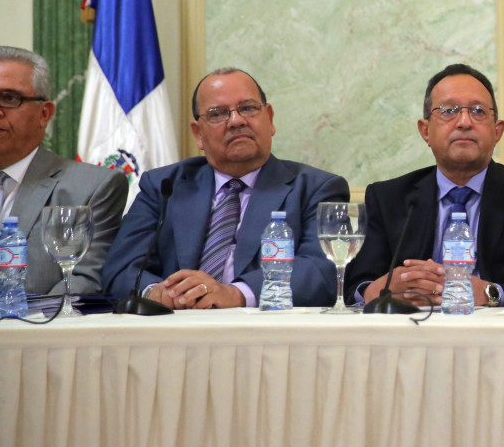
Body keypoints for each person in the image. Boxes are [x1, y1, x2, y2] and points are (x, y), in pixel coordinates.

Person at [102, 67, 348, 308]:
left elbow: (322, 271)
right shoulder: (164, 186)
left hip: (266, 329)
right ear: (198, 134)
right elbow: (121, 269)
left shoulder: (316, 189)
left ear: (270, 119)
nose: (236, 121)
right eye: (217, 114)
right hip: (177, 325)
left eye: (248, 108)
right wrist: (157, 292)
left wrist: (236, 294)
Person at [344, 64, 504, 308]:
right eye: (448, 111)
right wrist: (380, 289)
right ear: (425, 130)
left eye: (478, 111)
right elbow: (355, 287)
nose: (464, 122)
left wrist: (490, 293)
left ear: (497, 131)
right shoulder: (388, 198)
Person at [0, 46, 128, 296]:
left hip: (36, 320)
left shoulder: (92, 187)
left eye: (10, 98)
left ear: (44, 113)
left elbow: (83, 279)